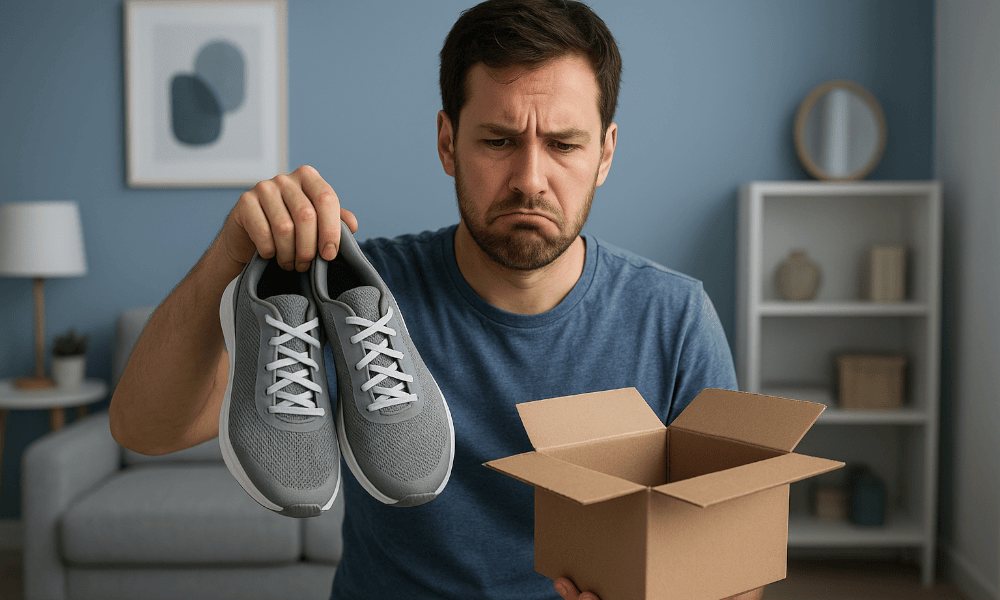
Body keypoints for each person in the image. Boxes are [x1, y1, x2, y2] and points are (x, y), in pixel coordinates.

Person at [110, 1, 761, 599]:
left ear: (605, 154)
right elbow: (147, 428)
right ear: (448, 143)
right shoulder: (358, 292)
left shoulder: (677, 315)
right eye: (499, 141)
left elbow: (737, 566)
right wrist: (229, 253)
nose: (531, 178)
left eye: (563, 144)